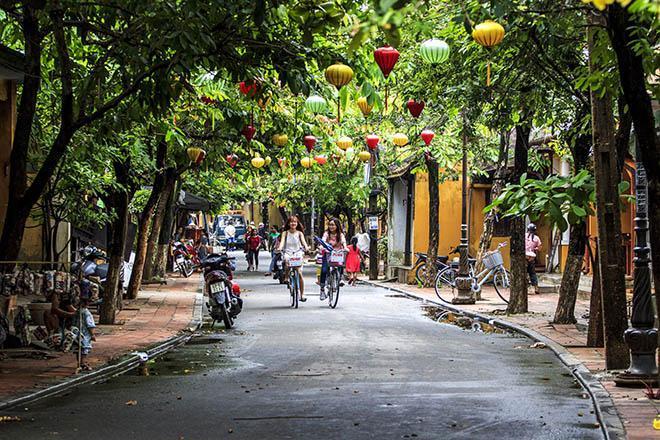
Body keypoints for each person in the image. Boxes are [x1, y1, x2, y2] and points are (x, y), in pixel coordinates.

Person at [278, 216, 310, 301]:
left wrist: (306, 248)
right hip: (288, 252)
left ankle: (302, 294)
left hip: (298, 253)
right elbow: (282, 242)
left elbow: (304, 242)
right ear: (288, 223)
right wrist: (280, 248)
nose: (293, 223)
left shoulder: (299, 233)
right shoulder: (285, 233)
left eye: (295, 222)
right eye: (291, 222)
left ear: (297, 223)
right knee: (287, 263)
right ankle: (286, 277)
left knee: (299, 273)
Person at [318, 218, 347, 300]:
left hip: (338, 253)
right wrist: (321, 246)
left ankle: (340, 278)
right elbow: (323, 240)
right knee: (324, 270)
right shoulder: (326, 233)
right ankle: (322, 289)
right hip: (327, 254)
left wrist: (345, 247)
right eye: (330, 224)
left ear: (337, 226)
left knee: (341, 264)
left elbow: (343, 241)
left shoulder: (340, 234)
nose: (331, 226)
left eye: (333, 225)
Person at [74, 296, 96, 371]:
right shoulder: (87, 313)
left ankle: (80, 362)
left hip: (77, 332)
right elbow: (90, 325)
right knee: (85, 347)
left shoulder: (77, 311)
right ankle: (82, 362)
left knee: (79, 347)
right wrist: (92, 334)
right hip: (85, 333)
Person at [525, 223, 542, 295]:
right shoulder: (536, 238)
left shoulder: (524, 236)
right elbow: (540, 248)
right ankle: (536, 287)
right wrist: (535, 248)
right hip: (532, 257)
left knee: (524, 272)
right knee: (532, 273)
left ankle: (525, 288)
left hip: (524, 256)